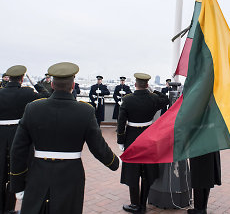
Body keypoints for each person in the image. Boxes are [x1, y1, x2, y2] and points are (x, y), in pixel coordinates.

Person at [10, 62, 119, 214]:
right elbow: (98, 147)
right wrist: (114, 162)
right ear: (73, 86)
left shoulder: (33, 108)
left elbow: (18, 150)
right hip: (71, 176)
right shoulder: (85, 111)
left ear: (52, 85)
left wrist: (17, 185)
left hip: (38, 173)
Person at [0, 65, 49, 214]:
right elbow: (47, 95)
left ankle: (0, 209)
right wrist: (34, 83)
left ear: (9, 77)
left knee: (0, 172)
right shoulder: (27, 93)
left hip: (1, 136)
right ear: (21, 78)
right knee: (19, 171)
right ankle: (12, 209)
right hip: (21, 135)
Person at [117, 73, 169, 213]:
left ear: (135, 84)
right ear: (147, 85)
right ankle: (143, 205)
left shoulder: (127, 100)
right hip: (148, 136)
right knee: (147, 172)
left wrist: (120, 140)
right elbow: (166, 99)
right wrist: (154, 91)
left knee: (133, 171)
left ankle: (135, 205)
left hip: (132, 138)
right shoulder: (153, 98)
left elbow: (121, 122)